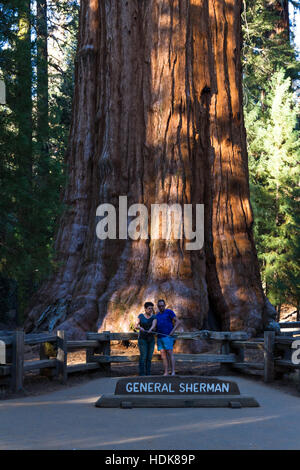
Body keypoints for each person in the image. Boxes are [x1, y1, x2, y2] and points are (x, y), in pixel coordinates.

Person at [155, 299, 181, 376]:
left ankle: (173, 371)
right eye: (159, 306)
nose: (161, 307)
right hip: (160, 337)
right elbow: (156, 326)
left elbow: (178, 322)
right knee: (163, 355)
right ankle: (166, 372)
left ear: (165, 305)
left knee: (170, 353)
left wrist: (172, 332)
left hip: (167, 336)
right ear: (158, 306)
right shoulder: (157, 315)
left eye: (162, 306)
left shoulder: (169, 312)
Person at [134, 302, 157, 376]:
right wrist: (140, 328)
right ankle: (142, 374)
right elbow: (135, 325)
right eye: (149, 308)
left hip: (151, 339)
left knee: (149, 357)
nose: (150, 310)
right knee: (143, 356)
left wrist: (150, 329)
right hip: (142, 339)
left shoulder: (154, 317)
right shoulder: (140, 316)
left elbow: (154, 325)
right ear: (145, 309)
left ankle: (148, 374)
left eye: (151, 308)